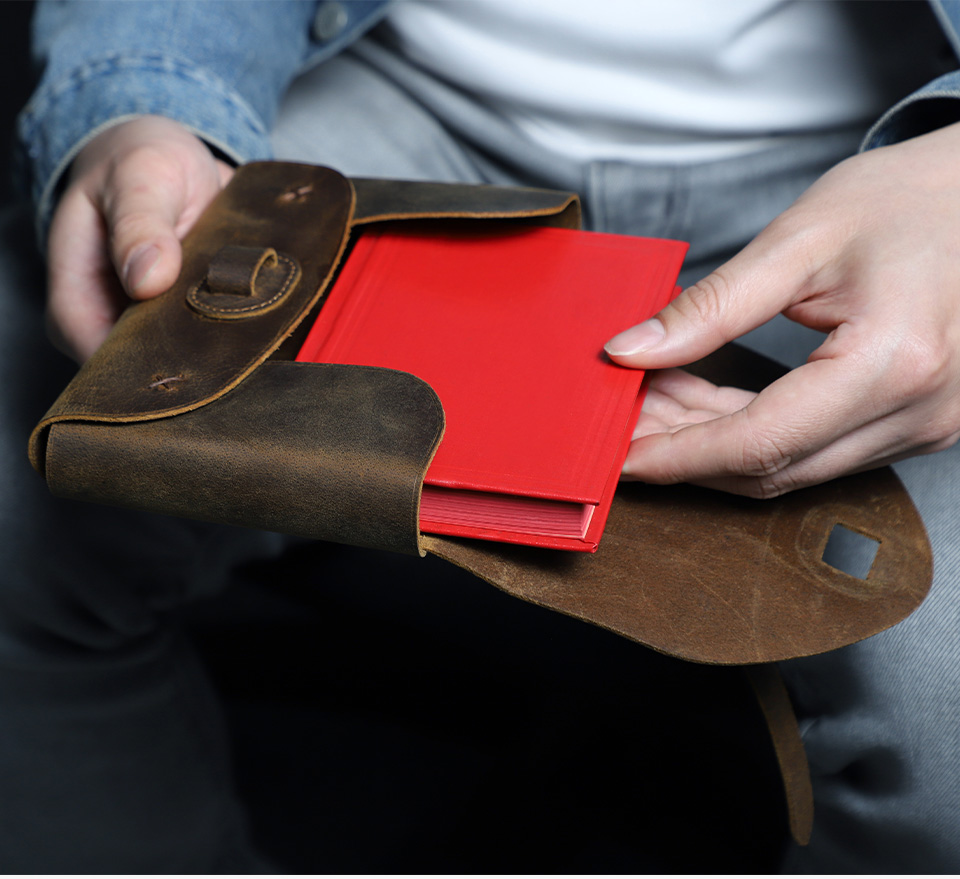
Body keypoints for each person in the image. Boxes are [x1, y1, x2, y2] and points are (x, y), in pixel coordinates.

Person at [5, 0, 960, 870]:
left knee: (942, 704)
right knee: (20, 501)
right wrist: (142, 91)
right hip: (386, 97)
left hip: (896, 165)